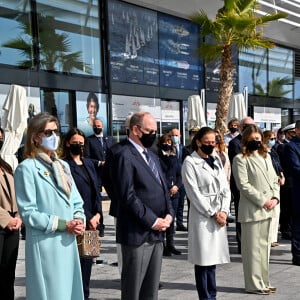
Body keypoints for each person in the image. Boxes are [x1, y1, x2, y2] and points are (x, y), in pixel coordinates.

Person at [14, 112, 85, 300]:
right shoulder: (26, 168)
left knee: (70, 293)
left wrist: (79, 219)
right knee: (53, 294)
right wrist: (63, 224)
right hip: (47, 244)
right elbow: (28, 213)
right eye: (49, 132)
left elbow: (76, 200)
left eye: (57, 132)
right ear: (36, 137)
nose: (55, 136)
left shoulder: (63, 166)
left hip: (68, 242)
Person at [112, 112, 174, 300]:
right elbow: (127, 196)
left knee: (151, 289)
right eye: (149, 131)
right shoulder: (123, 154)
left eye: (155, 131)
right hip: (136, 233)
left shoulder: (152, 155)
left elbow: (164, 189)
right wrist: (152, 220)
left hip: (157, 232)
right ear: (136, 130)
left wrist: (169, 214)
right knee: (133, 289)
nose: (153, 135)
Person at [182, 127, 231, 300]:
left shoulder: (216, 159)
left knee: (213, 260)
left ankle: (213, 295)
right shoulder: (190, 162)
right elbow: (194, 194)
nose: (211, 145)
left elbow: (225, 187)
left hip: (219, 214)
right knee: (203, 260)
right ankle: (205, 296)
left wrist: (224, 211)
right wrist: (213, 213)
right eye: (207, 142)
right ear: (197, 142)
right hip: (203, 217)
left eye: (213, 142)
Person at [232, 125, 279, 295]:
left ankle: (264, 281)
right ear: (245, 140)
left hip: (269, 209)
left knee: (265, 250)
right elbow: (243, 185)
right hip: (252, 210)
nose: (257, 142)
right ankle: (253, 284)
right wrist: (263, 200)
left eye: (258, 139)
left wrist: (275, 198)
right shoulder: (240, 159)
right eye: (253, 139)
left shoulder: (266, 157)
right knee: (252, 251)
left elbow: (274, 179)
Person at [61, 128, 102, 300]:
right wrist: (88, 216)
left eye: (81, 143)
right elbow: (70, 195)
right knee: (76, 264)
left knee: (88, 264)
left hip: (94, 222)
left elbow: (96, 191)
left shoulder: (89, 163)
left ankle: (85, 295)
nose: (78, 146)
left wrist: (99, 213)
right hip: (78, 221)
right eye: (75, 142)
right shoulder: (63, 165)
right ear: (67, 143)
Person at [0, 128, 22, 300]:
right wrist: (6, 219)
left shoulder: (5, 165)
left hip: (12, 225)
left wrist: (18, 217)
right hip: (2, 222)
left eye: (1, 138)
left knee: (8, 273)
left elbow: (16, 194)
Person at [228, 116, 255, 253]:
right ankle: (241, 244)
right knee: (241, 214)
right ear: (240, 127)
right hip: (240, 186)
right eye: (246, 126)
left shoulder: (255, 143)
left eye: (252, 125)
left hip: (254, 186)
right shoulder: (235, 143)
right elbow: (240, 164)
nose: (249, 128)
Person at [85, 118, 115, 237]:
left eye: (99, 125)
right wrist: (98, 162)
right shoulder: (89, 140)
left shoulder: (110, 139)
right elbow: (87, 158)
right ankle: (100, 225)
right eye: (95, 126)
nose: (97, 127)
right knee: (97, 200)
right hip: (96, 174)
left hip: (109, 174)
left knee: (115, 196)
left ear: (103, 126)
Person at [157, 133, 182, 256]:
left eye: (169, 142)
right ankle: (162, 245)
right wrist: (168, 187)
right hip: (163, 192)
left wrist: (177, 186)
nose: (167, 144)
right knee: (163, 218)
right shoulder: (157, 157)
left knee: (172, 219)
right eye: (164, 142)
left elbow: (179, 174)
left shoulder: (174, 157)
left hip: (174, 193)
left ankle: (170, 245)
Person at [263, 130, 285, 247]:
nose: (272, 141)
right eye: (270, 138)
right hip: (269, 184)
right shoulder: (263, 153)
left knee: (277, 211)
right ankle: (268, 237)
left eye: (273, 138)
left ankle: (273, 238)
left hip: (277, 183)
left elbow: (279, 166)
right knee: (270, 211)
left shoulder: (274, 152)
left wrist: (282, 176)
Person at [283, 120, 300, 265]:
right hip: (298, 191)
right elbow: (296, 169)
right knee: (298, 225)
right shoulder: (291, 147)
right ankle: (298, 255)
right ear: (298, 131)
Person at [276, 123, 295, 240]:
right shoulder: (283, 147)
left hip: (294, 180)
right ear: (286, 134)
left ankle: (290, 228)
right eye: (291, 133)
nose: (293, 135)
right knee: (287, 206)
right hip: (287, 180)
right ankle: (285, 229)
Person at [171, 128, 187, 231]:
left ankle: (180, 223)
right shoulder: (168, 149)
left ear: (180, 136)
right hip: (172, 180)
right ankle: (171, 224)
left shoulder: (183, 148)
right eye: (173, 135)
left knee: (181, 202)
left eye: (176, 135)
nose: (175, 137)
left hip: (182, 179)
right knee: (172, 204)